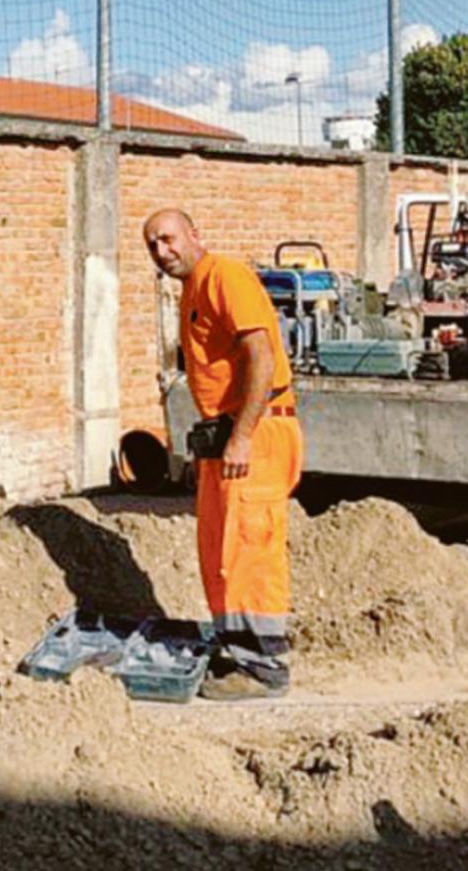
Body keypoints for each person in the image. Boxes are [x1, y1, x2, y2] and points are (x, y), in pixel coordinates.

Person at [142, 209, 304, 700]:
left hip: (254, 434)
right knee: (222, 548)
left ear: (195, 234)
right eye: (152, 244)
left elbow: (262, 357)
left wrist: (241, 435)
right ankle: (238, 648)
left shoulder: (225, 277)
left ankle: (264, 669)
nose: (162, 251)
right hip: (229, 435)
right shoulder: (193, 287)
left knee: (250, 548)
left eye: (168, 239)